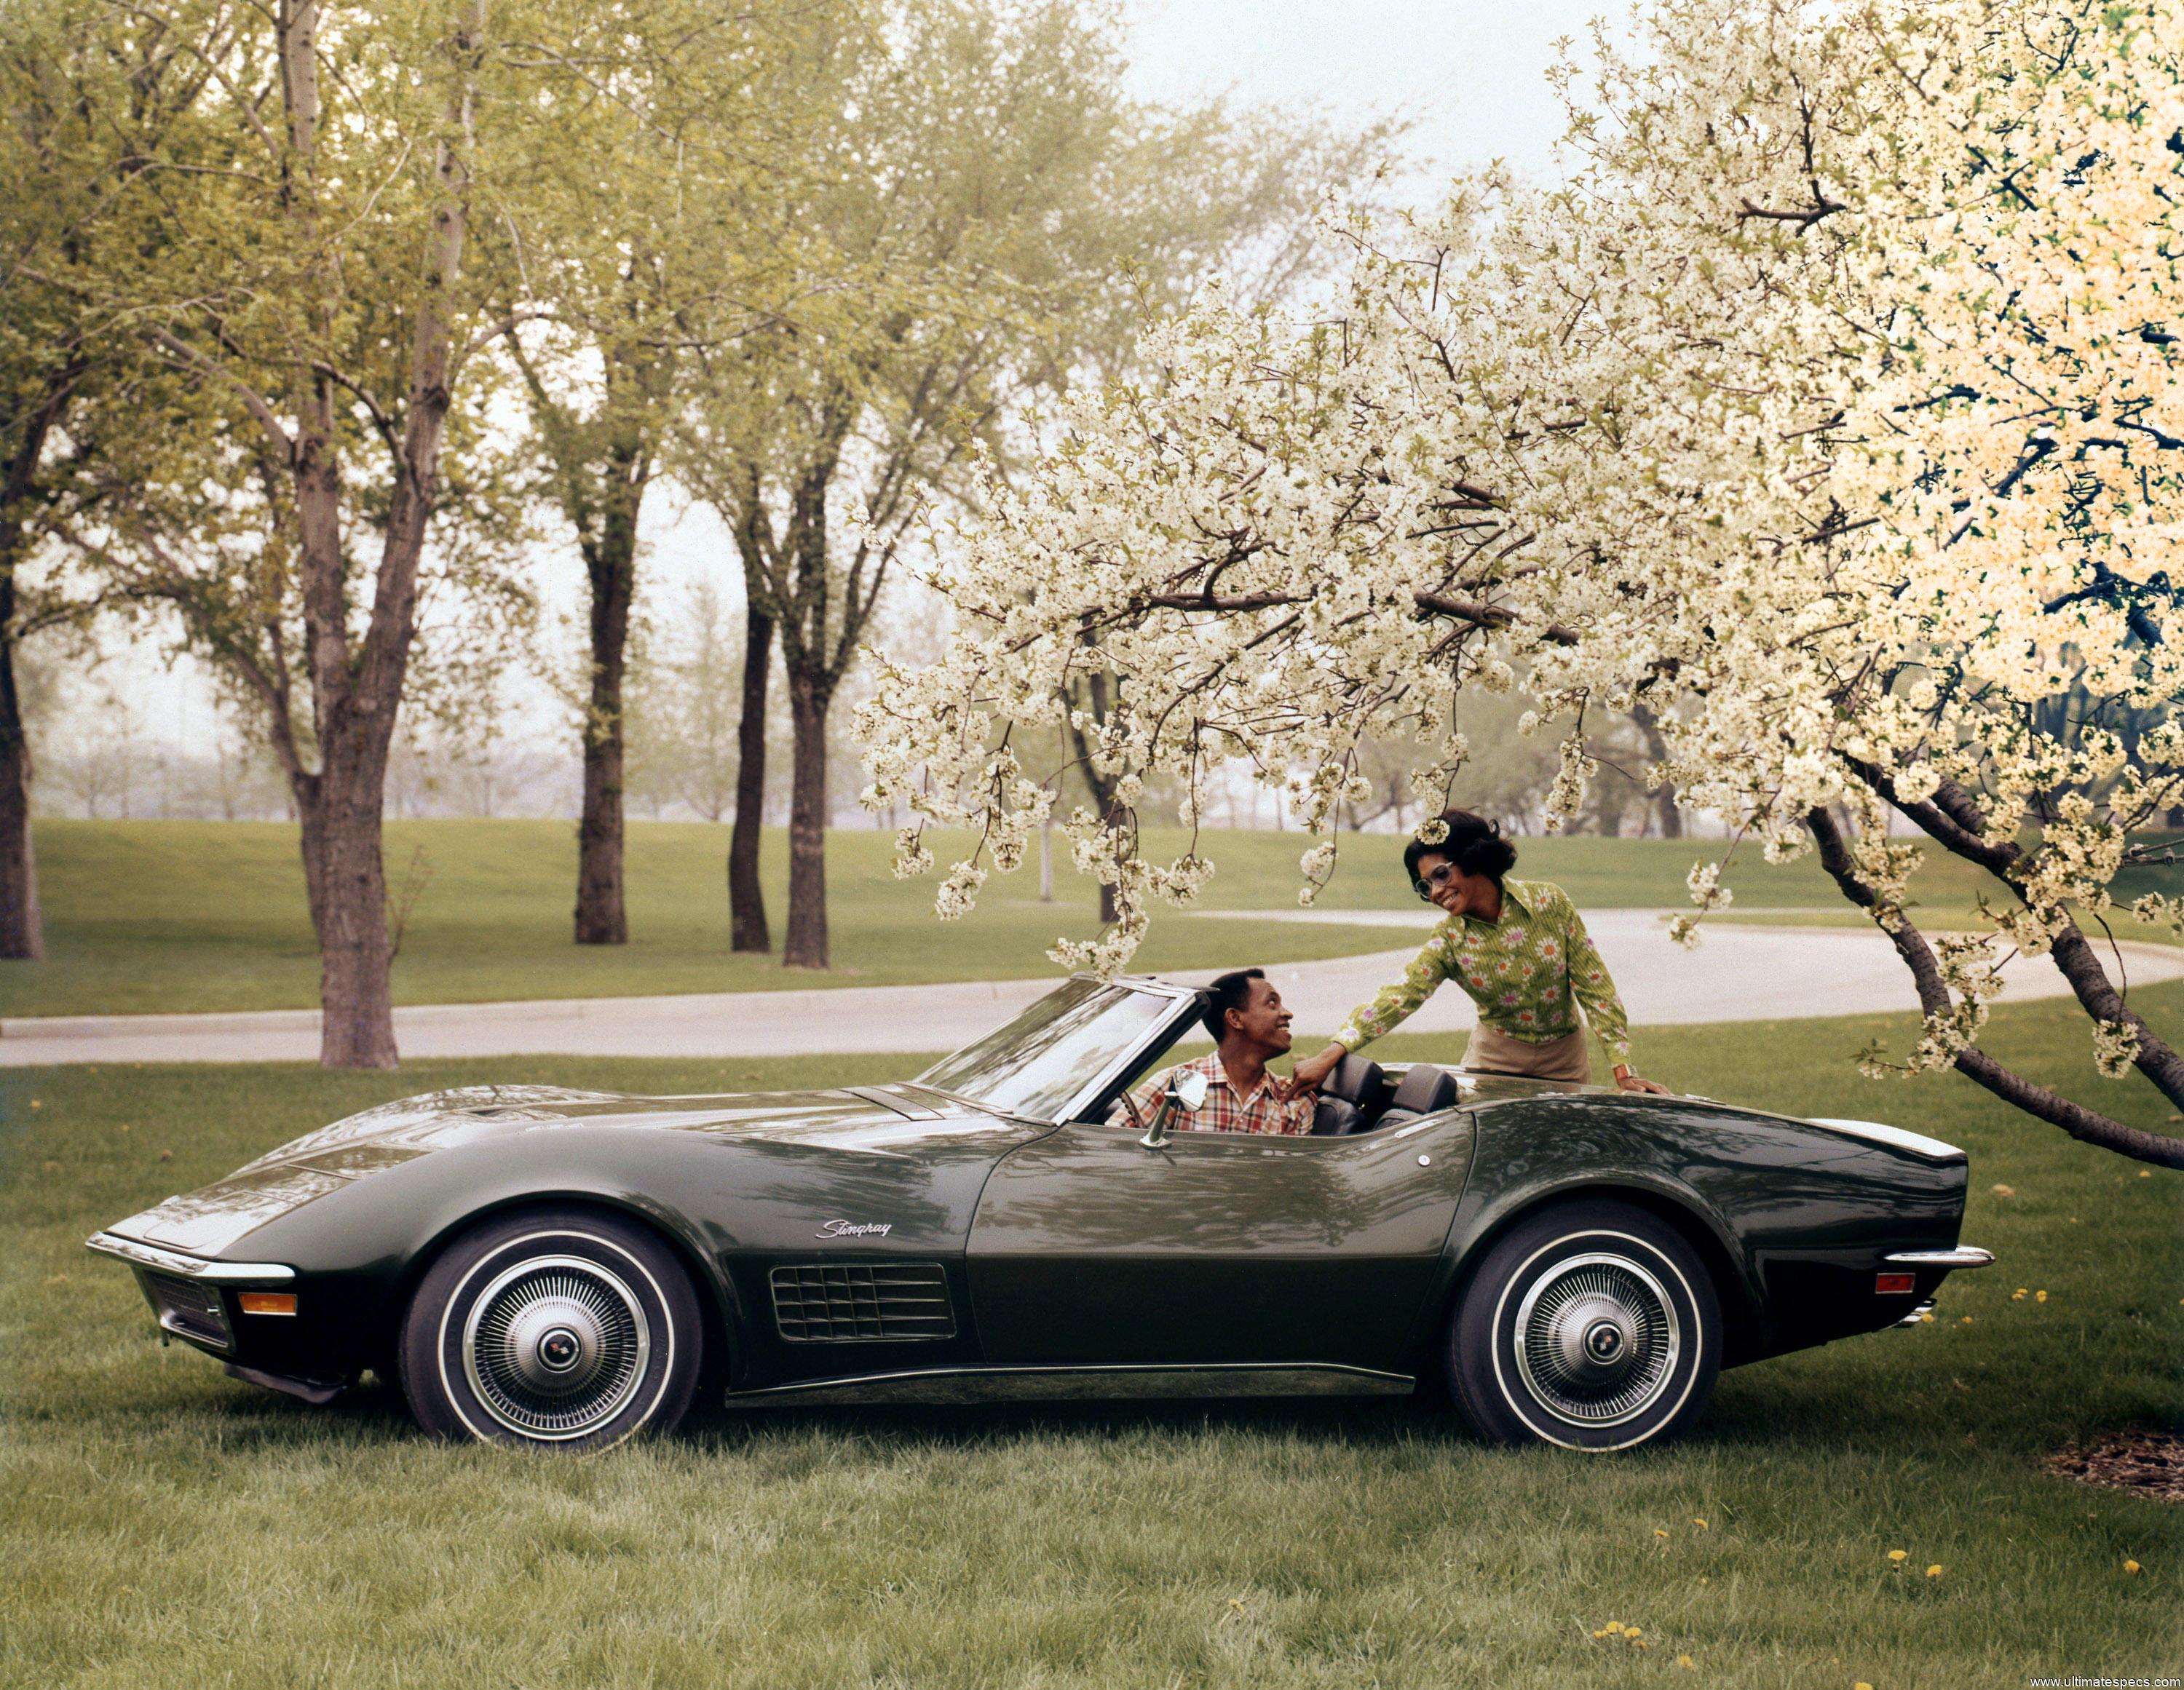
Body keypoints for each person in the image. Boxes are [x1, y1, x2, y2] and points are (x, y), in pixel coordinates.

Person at [1289, 808, 1670, 1095]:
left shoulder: (1550, 903)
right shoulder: (1449, 941)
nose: (1435, 892)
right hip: (1493, 1063)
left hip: (1565, 1062)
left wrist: (1624, 1072)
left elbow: (1595, 989)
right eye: (1425, 886)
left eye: (1441, 875)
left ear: (1473, 859)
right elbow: (1397, 999)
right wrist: (1329, 1055)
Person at [1108, 967, 1317, 1135]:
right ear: (1235, 1018)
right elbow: (1108, 1146)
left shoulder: (1294, 1102)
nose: (1287, 1013)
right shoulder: (1175, 1084)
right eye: (1272, 1003)